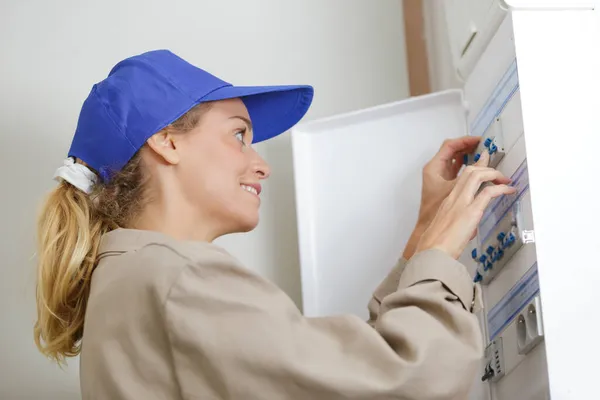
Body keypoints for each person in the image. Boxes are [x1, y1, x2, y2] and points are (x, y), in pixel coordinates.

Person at [33, 49, 515, 399]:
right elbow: (408, 381)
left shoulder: (131, 277)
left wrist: (421, 239)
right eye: (238, 135)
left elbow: (334, 381)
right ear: (167, 143)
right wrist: (437, 256)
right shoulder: (179, 279)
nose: (261, 164)